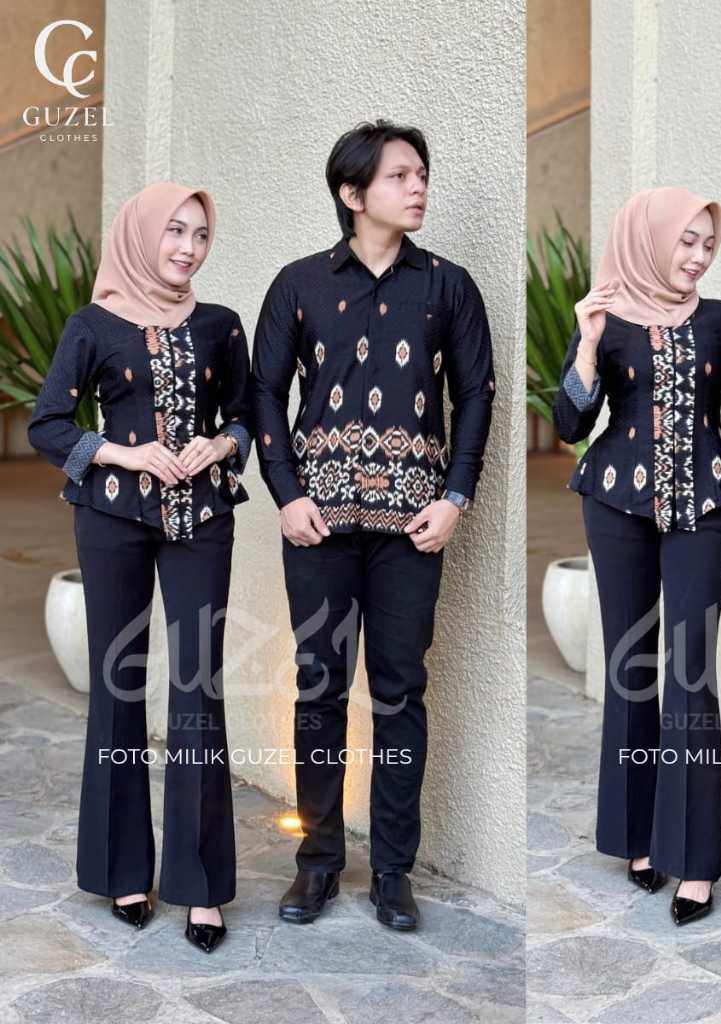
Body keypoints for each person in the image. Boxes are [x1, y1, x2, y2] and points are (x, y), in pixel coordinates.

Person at [252, 119, 496, 931]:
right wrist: (286, 494)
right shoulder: (298, 284)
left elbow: (478, 394)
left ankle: (393, 871)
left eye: (421, 173)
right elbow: (265, 394)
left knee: (400, 693)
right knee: (319, 689)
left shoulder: (449, 287)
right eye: (400, 175)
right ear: (353, 193)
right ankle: (318, 862)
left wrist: (455, 498)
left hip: (412, 528)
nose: (418, 186)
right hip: (316, 525)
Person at [551, 187, 721, 925]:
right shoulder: (606, 317)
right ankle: (636, 835)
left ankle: (693, 860)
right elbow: (569, 424)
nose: (697, 257)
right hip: (614, 506)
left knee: (691, 670)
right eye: (685, 241)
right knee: (629, 665)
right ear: (648, 239)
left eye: (707, 244)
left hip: (705, 508)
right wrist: (587, 345)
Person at [27, 182, 253, 953]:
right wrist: (127, 453)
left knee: (198, 690)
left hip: (203, 522)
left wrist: (219, 444)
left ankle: (201, 884)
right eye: (174, 232)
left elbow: (245, 415)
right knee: (118, 683)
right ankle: (123, 868)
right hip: (111, 521)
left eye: (201, 235)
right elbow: (48, 424)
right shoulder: (92, 325)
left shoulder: (221, 326)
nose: (188, 248)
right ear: (140, 235)